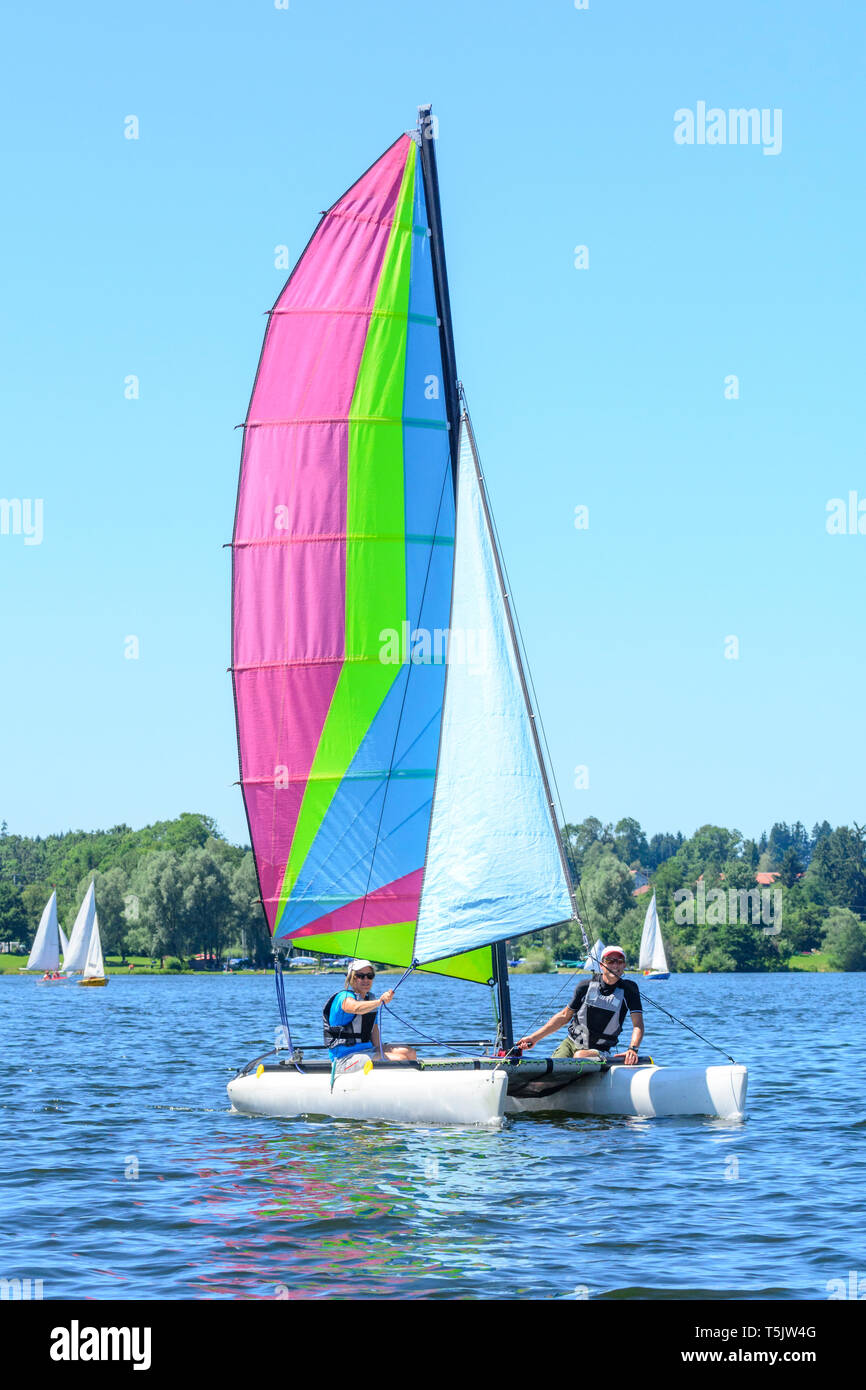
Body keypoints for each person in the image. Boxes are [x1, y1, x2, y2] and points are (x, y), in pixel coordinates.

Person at [516, 945, 644, 1065]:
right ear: (602, 965)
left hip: (598, 1051)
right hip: (571, 1043)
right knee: (553, 1068)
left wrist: (633, 1049)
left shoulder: (629, 990)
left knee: (579, 1056)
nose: (615, 965)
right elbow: (564, 1016)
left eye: (620, 961)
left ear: (624, 965)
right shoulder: (585, 986)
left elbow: (637, 1025)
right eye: (610, 961)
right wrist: (534, 1038)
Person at [323, 960, 417, 1063]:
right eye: (360, 976)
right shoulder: (343, 997)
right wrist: (380, 1001)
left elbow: (375, 1035)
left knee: (409, 1052)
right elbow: (355, 1007)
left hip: (367, 1051)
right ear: (352, 979)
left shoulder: (370, 1000)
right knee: (400, 1060)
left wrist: (380, 1051)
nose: (366, 979)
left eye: (370, 975)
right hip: (344, 1058)